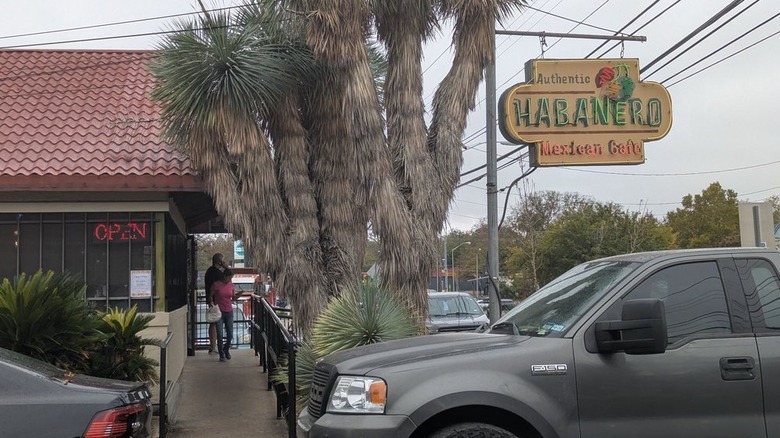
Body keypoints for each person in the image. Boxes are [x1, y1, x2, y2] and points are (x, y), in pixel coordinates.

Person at [209, 268, 245, 361]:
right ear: (224, 276)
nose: (230, 280)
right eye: (229, 278)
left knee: (230, 334)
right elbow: (210, 295)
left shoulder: (231, 285)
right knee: (220, 334)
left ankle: (226, 349)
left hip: (229, 311)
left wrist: (239, 295)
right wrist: (211, 302)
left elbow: (233, 298)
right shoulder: (216, 285)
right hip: (219, 311)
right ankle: (221, 354)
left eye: (231, 278)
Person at [204, 253, 227, 354]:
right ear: (220, 262)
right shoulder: (217, 273)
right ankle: (214, 347)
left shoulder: (209, 271)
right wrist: (226, 267)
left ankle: (212, 346)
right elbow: (227, 279)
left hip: (211, 300)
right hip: (217, 301)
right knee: (215, 323)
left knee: (212, 323)